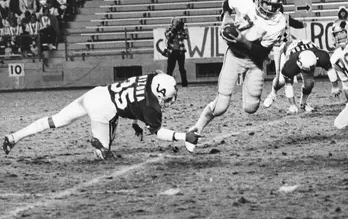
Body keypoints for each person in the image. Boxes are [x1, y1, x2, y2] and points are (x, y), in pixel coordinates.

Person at [3, 71, 201, 159]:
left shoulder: (151, 78)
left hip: (97, 93)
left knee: (56, 120)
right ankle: (99, 144)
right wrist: (184, 136)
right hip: (104, 111)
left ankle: (14, 137)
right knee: (103, 156)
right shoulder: (151, 107)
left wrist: (134, 121)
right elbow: (157, 132)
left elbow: (134, 97)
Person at [186, 0, 288, 145]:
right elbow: (227, 3)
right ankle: (197, 127)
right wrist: (225, 17)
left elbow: (261, 53)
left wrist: (243, 40)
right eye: (266, 4)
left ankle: (246, 86)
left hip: (255, 60)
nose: (269, 9)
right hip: (235, 56)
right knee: (220, 106)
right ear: (257, 0)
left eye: (273, 6)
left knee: (250, 108)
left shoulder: (279, 22)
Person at [264, 39, 340, 113]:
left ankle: (303, 103)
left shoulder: (322, 56)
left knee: (309, 83)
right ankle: (273, 94)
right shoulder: (290, 64)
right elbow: (288, 85)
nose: (308, 72)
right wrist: (292, 105)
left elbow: (330, 70)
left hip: (306, 52)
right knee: (281, 82)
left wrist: (335, 86)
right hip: (287, 50)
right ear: (299, 63)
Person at [165, 17, 188, 87]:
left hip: (180, 51)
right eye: (175, 22)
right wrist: (174, 30)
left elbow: (186, 36)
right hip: (172, 51)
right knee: (170, 69)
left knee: (182, 68)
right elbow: (168, 36)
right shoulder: (169, 29)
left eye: (177, 22)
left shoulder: (181, 30)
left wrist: (181, 29)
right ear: (172, 23)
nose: (177, 23)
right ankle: (167, 84)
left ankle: (184, 83)